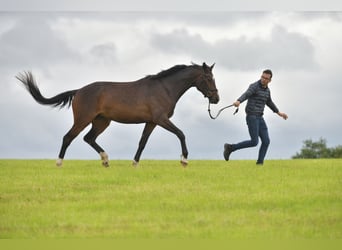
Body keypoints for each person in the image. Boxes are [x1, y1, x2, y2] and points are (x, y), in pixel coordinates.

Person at [223, 69, 288, 165]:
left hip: (260, 118)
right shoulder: (254, 86)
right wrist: (239, 101)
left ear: (270, 80)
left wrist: (279, 113)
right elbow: (247, 94)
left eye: (266, 78)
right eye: (262, 77)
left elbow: (269, 102)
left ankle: (260, 163)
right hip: (252, 117)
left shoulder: (267, 91)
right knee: (254, 142)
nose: (263, 79)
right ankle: (230, 148)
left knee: (266, 141)